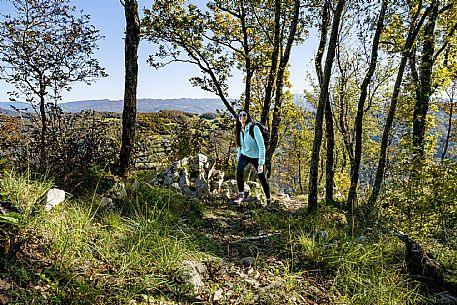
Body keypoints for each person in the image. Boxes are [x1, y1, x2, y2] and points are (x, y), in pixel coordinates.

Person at [234, 109, 271, 206]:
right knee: (239, 171)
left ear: (247, 116)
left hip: (256, 156)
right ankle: (241, 194)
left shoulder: (254, 128)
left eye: (244, 114)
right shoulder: (240, 129)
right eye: (240, 115)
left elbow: (261, 145)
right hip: (245, 154)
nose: (242, 116)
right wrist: (239, 159)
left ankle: (268, 199)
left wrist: (261, 163)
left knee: (262, 178)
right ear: (238, 118)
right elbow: (240, 146)